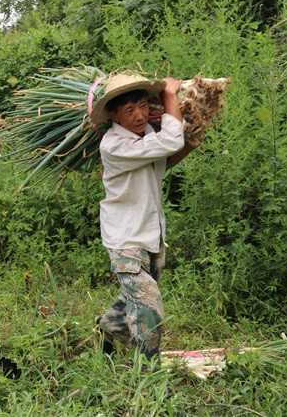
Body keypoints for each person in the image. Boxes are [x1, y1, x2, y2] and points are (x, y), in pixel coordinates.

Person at [90, 73, 194, 362]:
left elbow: (166, 156)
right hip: (125, 238)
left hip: (151, 231)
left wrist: (191, 137)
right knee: (149, 307)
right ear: (114, 116)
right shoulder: (114, 145)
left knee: (133, 298)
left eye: (142, 106)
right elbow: (171, 142)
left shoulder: (148, 135)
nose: (139, 115)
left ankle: (109, 328)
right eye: (129, 110)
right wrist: (171, 94)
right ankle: (147, 373)